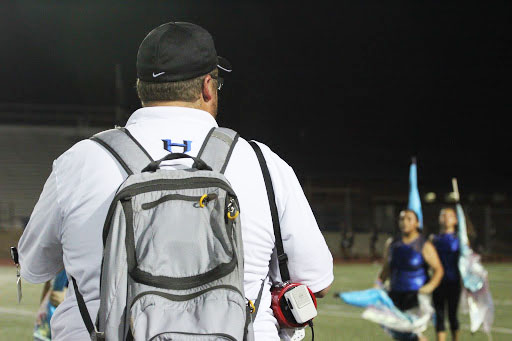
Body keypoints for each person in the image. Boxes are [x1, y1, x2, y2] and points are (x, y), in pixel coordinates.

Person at [17, 21, 333, 340]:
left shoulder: (80, 161)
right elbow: (317, 280)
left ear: (141, 87)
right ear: (208, 86)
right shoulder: (263, 163)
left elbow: (34, 268)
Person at [376, 209, 444, 341]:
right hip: (395, 294)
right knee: (399, 333)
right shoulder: (392, 244)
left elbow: (438, 270)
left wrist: (429, 287)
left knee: (411, 333)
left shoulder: (424, 244)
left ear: (417, 223)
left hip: (416, 296)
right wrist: (377, 285)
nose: (404, 222)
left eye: (409, 219)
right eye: (402, 219)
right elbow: (385, 270)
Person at [431, 208, 461, 341]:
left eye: (449, 216)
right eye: (443, 215)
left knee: (453, 315)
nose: (446, 218)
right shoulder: (434, 239)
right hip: (438, 282)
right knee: (439, 314)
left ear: (455, 220)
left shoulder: (460, 238)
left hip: (454, 281)